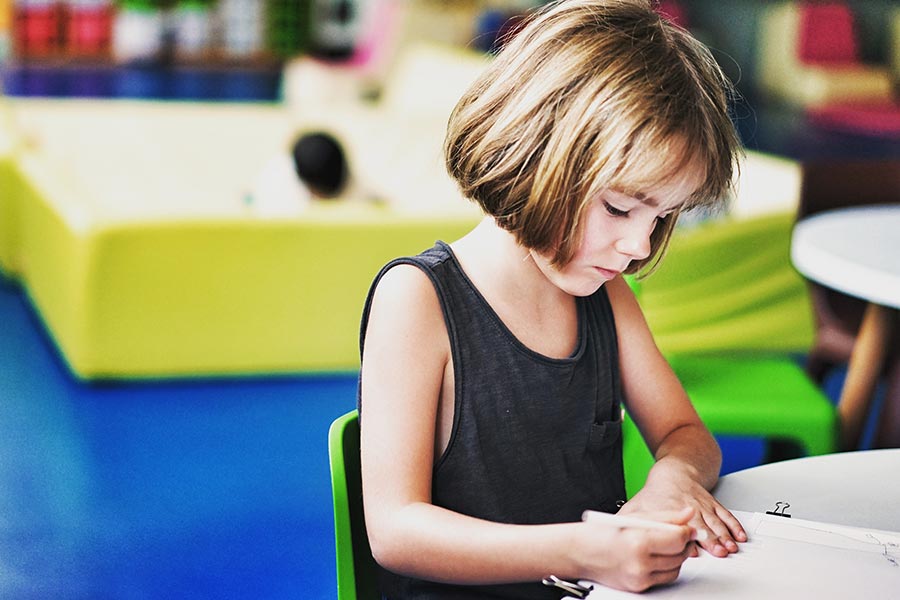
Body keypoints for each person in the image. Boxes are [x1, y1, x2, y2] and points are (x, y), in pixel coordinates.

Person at [357, 1, 747, 597]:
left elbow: (685, 434)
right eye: (619, 208)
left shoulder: (605, 296)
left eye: (661, 216)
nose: (638, 246)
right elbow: (395, 530)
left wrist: (673, 478)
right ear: (537, 157)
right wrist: (585, 550)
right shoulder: (417, 300)